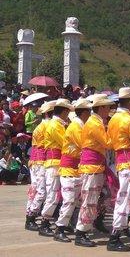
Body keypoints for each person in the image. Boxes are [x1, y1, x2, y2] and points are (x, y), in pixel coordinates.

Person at [75, 95, 114, 247]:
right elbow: (107, 143)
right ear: (102, 108)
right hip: (92, 167)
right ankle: (81, 232)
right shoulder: (95, 124)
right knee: (89, 200)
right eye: (108, 107)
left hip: (94, 165)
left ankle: (90, 225)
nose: (109, 110)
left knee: (98, 197)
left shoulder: (94, 122)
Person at [54, 98, 92, 243]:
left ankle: (67, 225)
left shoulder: (79, 125)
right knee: (69, 200)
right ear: (84, 112)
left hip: (76, 168)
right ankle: (60, 228)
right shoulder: (76, 126)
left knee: (75, 201)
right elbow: (85, 145)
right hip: (69, 169)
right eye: (89, 111)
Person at [107, 87, 130, 251]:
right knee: (124, 198)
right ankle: (114, 236)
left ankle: (121, 228)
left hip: (120, 160)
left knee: (124, 196)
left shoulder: (113, 119)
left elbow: (110, 143)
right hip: (129, 160)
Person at [39, 99, 73, 237]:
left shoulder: (57, 124)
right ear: (64, 111)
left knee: (58, 195)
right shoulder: (55, 125)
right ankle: (45, 223)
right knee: (53, 195)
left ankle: (52, 222)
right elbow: (66, 141)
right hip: (54, 162)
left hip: (57, 162)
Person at [25, 101, 56, 231]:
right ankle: (31, 217)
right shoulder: (49, 124)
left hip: (35, 160)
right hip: (41, 160)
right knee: (42, 191)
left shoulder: (40, 125)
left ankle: (30, 214)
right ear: (51, 113)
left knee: (36, 189)